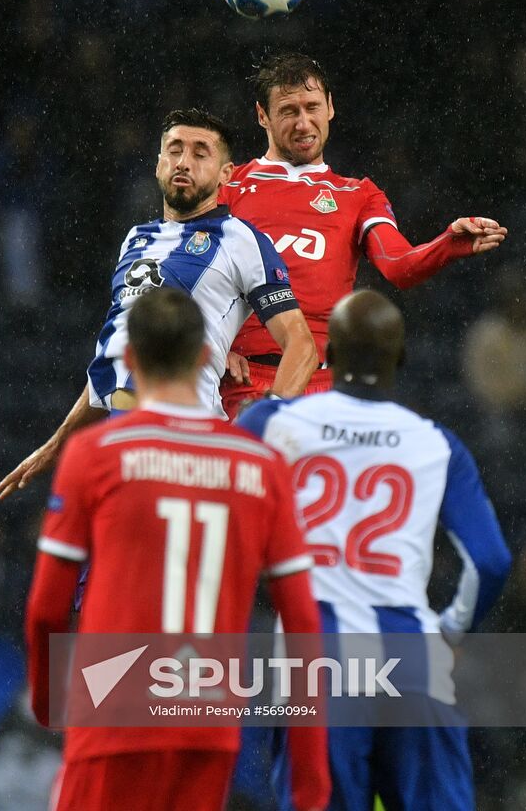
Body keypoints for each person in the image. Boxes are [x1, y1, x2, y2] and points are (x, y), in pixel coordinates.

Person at [25, 288, 330, 811]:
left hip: (112, 710)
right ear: (207, 354)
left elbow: (45, 611)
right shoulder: (259, 467)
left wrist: (50, 705)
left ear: (130, 359)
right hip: (205, 720)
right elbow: (303, 626)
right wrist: (310, 782)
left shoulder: (95, 455)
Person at [238, 290, 512, 811]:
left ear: (329, 355)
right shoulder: (438, 443)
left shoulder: (269, 424)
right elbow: (491, 560)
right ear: (401, 357)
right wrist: (450, 630)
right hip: (412, 652)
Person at [0, 108, 316, 500]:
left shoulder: (241, 241)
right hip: (123, 433)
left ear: (226, 174)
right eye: (174, 150)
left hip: (187, 442)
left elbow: (302, 345)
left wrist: (264, 430)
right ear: (158, 164)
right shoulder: (134, 239)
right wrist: (56, 443)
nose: (184, 162)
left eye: (201, 153)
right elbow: (113, 359)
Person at [219, 52, 508, 419]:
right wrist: (207, 346)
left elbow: (399, 266)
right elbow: (181, 274)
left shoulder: (359, 195)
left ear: (330, 108)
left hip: (323, 388)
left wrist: (447, 244)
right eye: (289, 111)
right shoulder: (228, 187)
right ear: (263, 116)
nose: (304, 122)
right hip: (240, 382)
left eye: (312, 107)